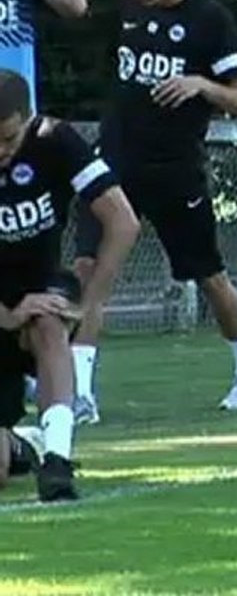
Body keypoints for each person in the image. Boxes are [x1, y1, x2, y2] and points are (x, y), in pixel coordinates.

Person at [71, 0, 237, 423]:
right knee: (88, 272)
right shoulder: (128, 13)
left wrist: (200, 84)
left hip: (175, 168)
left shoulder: (209, 20)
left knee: (209, 278)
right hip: (116, 164)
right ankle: (77, 395)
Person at [0, 69, 139, 500]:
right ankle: (24, 444)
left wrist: (89, 304)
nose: (0, 151)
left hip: (42, 285)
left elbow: (123, 221)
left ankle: (57, 462)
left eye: (8, 139)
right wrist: (6, 314)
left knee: (49, 322)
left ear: (28, 120)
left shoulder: (55, 141)